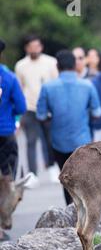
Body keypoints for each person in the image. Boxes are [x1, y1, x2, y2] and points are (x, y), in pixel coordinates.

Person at [36, 50, 101, 205]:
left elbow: (40, 116)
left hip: (59, 142)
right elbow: (98, 112)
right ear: (75, 65)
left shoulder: (47, 87)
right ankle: (86, 211)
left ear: (57, 66)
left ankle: (70, 209)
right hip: (82, 141)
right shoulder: (87, 85)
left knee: (66, 179)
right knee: (84, 178)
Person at [15, 35, 59, 182]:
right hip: (29, 107)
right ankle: (33, 174)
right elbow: (19, 88)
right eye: (31, 47)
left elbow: (56, 84)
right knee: (30, 141)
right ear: (26, 48)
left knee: (50, 140)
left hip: (48, 108)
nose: (34, 49)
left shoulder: (51, 62)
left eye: (37, 46)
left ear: (41, 47)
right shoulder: (21, 65)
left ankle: (53, 167)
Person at [0, 39, 27, 241]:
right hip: (5, 134)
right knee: (7, 181)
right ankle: (3, 224)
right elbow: (21, 107)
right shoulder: (8, 77)